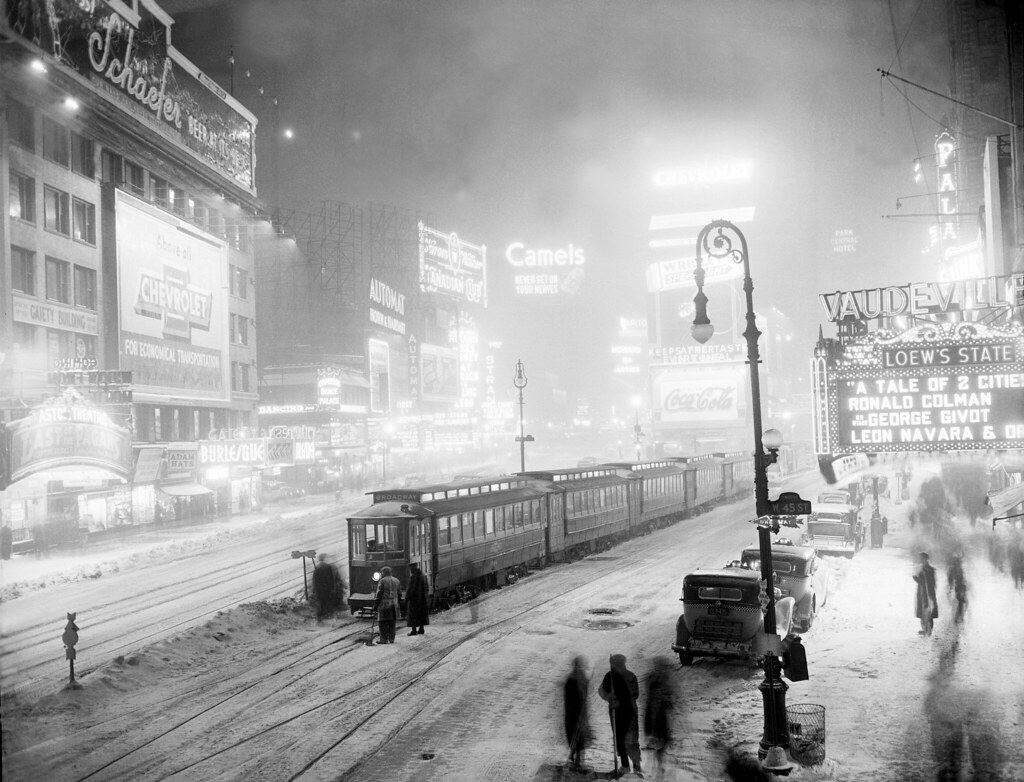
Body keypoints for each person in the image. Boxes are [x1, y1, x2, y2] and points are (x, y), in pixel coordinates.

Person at [598, 653, 642, 777]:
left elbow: (635, 694)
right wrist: (608, 696)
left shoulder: (630, 676)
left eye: (615, 663)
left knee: (632, 738)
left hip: (629, 712)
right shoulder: (609, 676)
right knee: (619, 738)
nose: (613, 666)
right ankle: (625, 765)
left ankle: (637, 766)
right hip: (615, 712)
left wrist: (620, 700)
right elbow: (601, 690)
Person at [644, 656, 675, 780]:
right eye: (659, 666)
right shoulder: (652, 680)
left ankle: (659, 767)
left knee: (661, 742)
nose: (661, 669)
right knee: (655, 741)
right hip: (652, 715)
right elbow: (651, 697)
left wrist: (668, 701)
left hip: (661, 717)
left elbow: (669, 701)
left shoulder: (665, 681)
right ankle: (656, 767)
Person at [563, 655, 593, 770]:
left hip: (575, 713)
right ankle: (576, 759)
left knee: (577, 736)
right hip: (575, 712)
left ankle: (577, 759)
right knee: (575, 736)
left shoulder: (576, 678)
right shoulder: (575, 679)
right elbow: (577, 697)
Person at [373, 565, 402, 644]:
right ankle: (392, 639)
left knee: (383, 623)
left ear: (384, 573)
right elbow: (400, 593)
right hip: (394, 604)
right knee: (392, 622)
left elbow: (379, 594)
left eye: (382, 572)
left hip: (384, 604)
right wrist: (398, 602)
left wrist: (376, 604)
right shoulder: (397, 580)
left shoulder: (382, 581)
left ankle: (384, 639)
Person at [312, 554, 344, 621]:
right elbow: (331, 578)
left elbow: (315, 579)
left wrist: (315, 588)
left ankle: (320, 617)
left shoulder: (317, 568)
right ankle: (328, 615)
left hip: (319, 589)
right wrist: (332, 587)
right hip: (327, 588)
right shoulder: (328, 567)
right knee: (328, 601)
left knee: (321, 602)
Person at [913, 551, 938, 636]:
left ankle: (929, 630)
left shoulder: (929, 569)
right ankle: (924, 629)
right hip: (921, 592)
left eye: (921, 558)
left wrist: (916, 578)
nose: (920, 560)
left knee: (928, 611)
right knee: (922, 611)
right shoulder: (921, 568)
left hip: (928, 593)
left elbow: (928, 582)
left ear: (925, 559)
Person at [405, 562, 430, 635]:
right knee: (421, 614)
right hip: (422, 600)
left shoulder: (413, 577)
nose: (410, 570)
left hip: (414, 600)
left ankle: (414, 630)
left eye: (410, 568)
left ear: (413, 568)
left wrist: (407, 598)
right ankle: (421, 629)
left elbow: (411, 589)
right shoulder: (423, 576)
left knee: (413, 615)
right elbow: (426, 588)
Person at [946, 552, 968, 624]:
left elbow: (950, 579)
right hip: (959, 586)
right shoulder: (954, 569)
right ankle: (958, 617)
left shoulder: (957, 568)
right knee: (961, 601)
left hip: (961, 586)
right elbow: (950, 579)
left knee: (962, 601)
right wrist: (950, 587)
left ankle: (959, 616)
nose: (958, 562)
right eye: (957, 561)